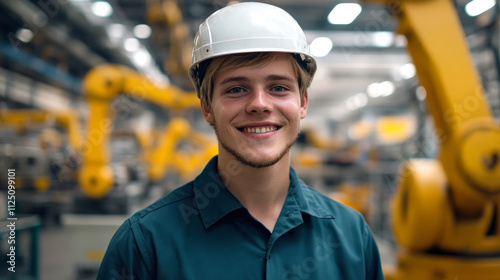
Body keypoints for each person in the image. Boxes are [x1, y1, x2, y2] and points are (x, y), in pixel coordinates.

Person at [97, 2, 385, 279]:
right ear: (207, 107)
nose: (259, 104)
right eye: (236, 89)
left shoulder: (352, 237)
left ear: (303, 103)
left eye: (279, 88)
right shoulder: (144, 245)